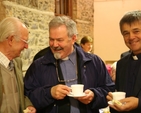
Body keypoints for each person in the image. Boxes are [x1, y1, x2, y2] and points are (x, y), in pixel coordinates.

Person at [24, 16, 115, 113]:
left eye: (59, 40)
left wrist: (94, 95)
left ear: (73, 39)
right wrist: (49, 93)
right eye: (51, 39)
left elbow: (109, 92)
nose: (54, 45)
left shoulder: (94, 62)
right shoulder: (38, 65)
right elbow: (27, 96)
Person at [107, 10, 141, 113]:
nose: (131, 37)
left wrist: (139, 103)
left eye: (136, 31)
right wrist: (113, 100)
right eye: (126, 33)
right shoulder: (121, 64)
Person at [0, 17, 36, 113]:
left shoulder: (17, 62)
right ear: (11, 40)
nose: (26, 46)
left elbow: (19, 93)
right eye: (24, 42)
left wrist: (27, 104)